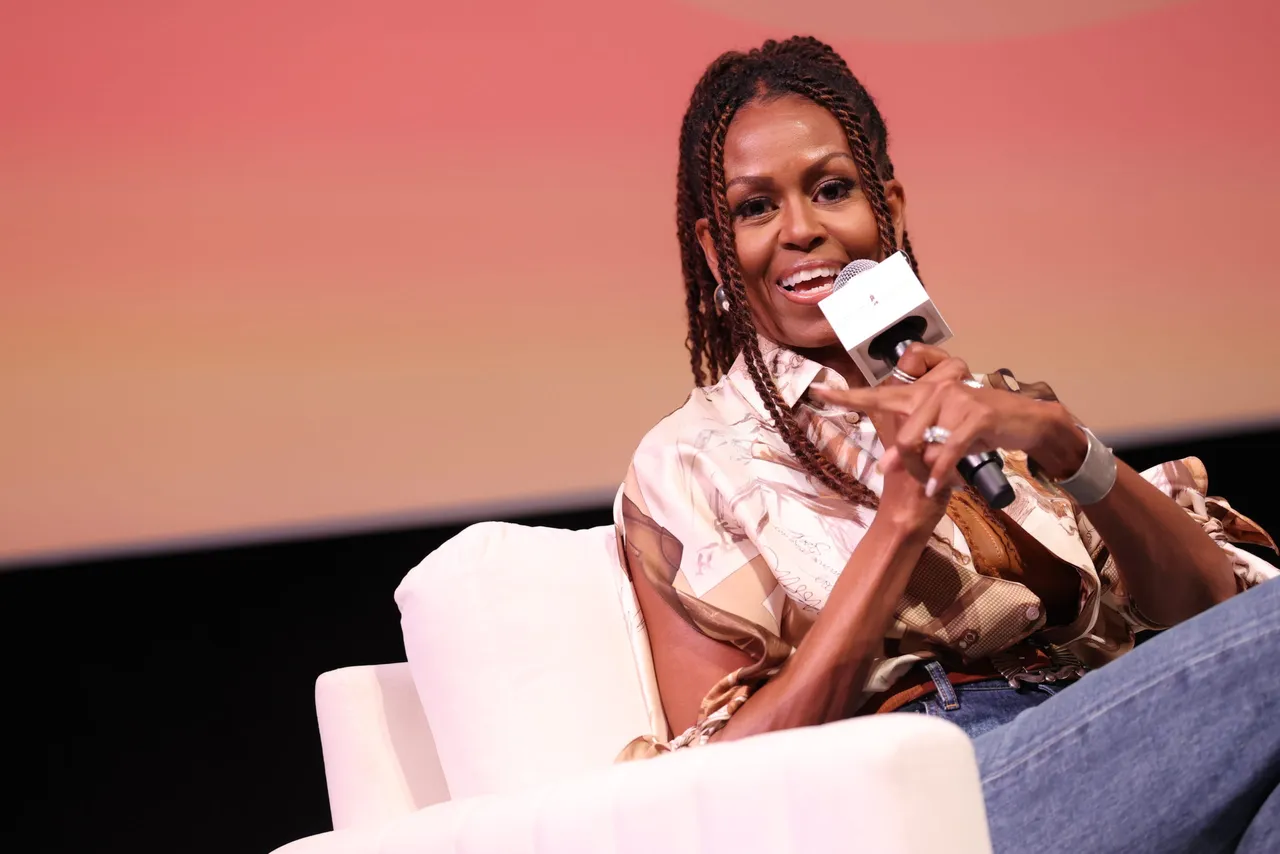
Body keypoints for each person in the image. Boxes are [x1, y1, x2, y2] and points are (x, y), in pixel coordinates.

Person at [614, 35, 1280, 852]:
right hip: (932, 796)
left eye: (832, 189)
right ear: (718, 249)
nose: (801, 229)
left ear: (888, 212)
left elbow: (1211, 610)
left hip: (1099, 739)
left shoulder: (983, 412)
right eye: (756, 206)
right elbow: (720, 785)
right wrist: (899, 523)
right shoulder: (687, 461)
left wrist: (1067, 446)